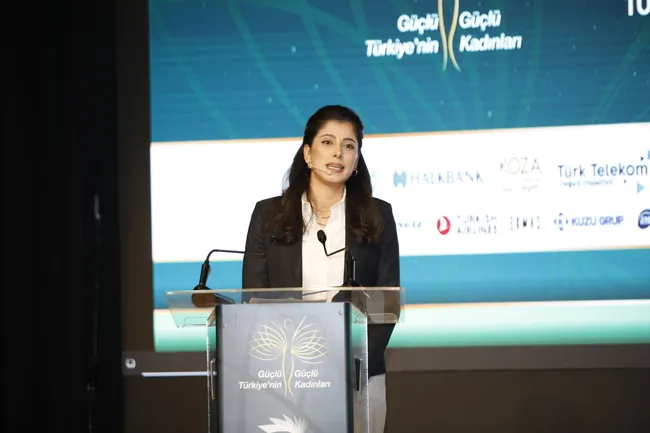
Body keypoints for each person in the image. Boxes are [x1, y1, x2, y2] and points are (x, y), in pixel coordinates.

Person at [242, 104, 400, 433]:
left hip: (359, 377)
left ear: (356, 160)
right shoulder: (268, 216)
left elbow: (386, 304)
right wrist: (299, 367)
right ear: (308, 153)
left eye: (348, 145)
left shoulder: (378, 216)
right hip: (287, 375)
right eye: (327, 142)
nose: (338, 153)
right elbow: (254, 300)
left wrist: (350, 367)